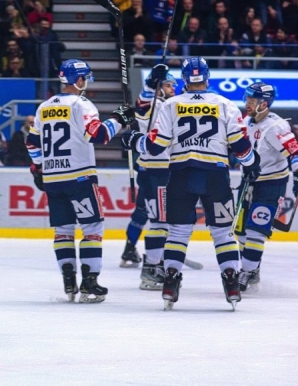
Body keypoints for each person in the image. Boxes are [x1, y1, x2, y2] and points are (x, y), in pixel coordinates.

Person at [122, 57, 260, 310]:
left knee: (177, 232)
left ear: (184, 79)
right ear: (207, 77)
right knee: (223, 232)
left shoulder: (171, 105)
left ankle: (170, 281)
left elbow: (155, 146)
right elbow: (240, 145)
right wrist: (251, 163)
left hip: (180, 174)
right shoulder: (225, 104)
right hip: (215, 175)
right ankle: (231, 281)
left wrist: (133, 140)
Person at [26, 59, 135, 303]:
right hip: (79, 176)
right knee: (92, 228)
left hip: (53, 179)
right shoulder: (81, 104)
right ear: (78, 80)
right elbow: (98, 135)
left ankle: (68, 282)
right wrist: (119, 119)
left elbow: (32, 143)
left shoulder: (44, 107)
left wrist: (39, 169)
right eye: (85, 77)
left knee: (63, 230)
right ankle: (89, 282)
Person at [121, 65, 178, 292]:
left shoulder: (167, 104)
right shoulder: (155, 104)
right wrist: (150, 83)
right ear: (159, 88)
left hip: (153, 169)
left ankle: (140, 253)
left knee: (148, 213)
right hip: (157, 170)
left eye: (173, 85)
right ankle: (152, 268)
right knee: (159, 221)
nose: (173, 88)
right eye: (168, 85)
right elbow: (144, 102)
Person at [237, 83, 298, 291]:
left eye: (252, 100)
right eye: (247, 99)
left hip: (271, 185)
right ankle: (252, 269)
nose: (247, 103)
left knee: (256, 229)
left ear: (264, 104)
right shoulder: (246, 121)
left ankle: (247, 272)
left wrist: (297, 177)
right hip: (247, 182)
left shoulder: (277, 127)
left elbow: (294, 152)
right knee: (241, 232)